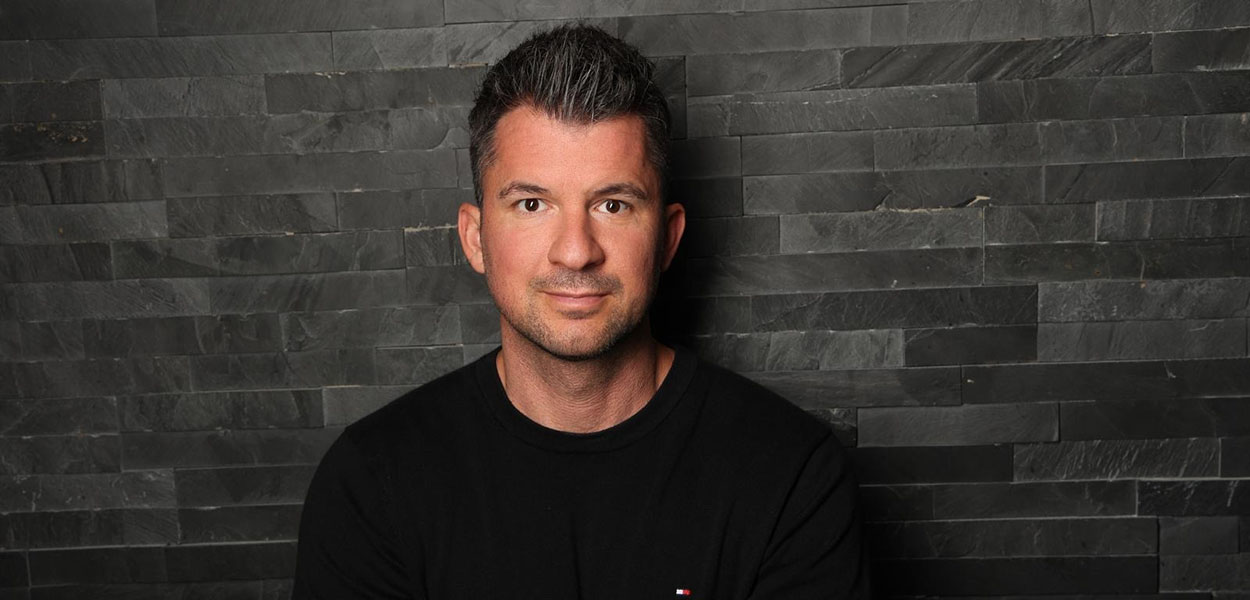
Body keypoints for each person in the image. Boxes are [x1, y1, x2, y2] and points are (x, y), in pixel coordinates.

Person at [293, 24, 868, 599]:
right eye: (532, 204)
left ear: (667, 239)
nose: (576, 251)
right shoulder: (373, 484)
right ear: (475, 238)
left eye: (613, 205)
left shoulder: (790, 475)